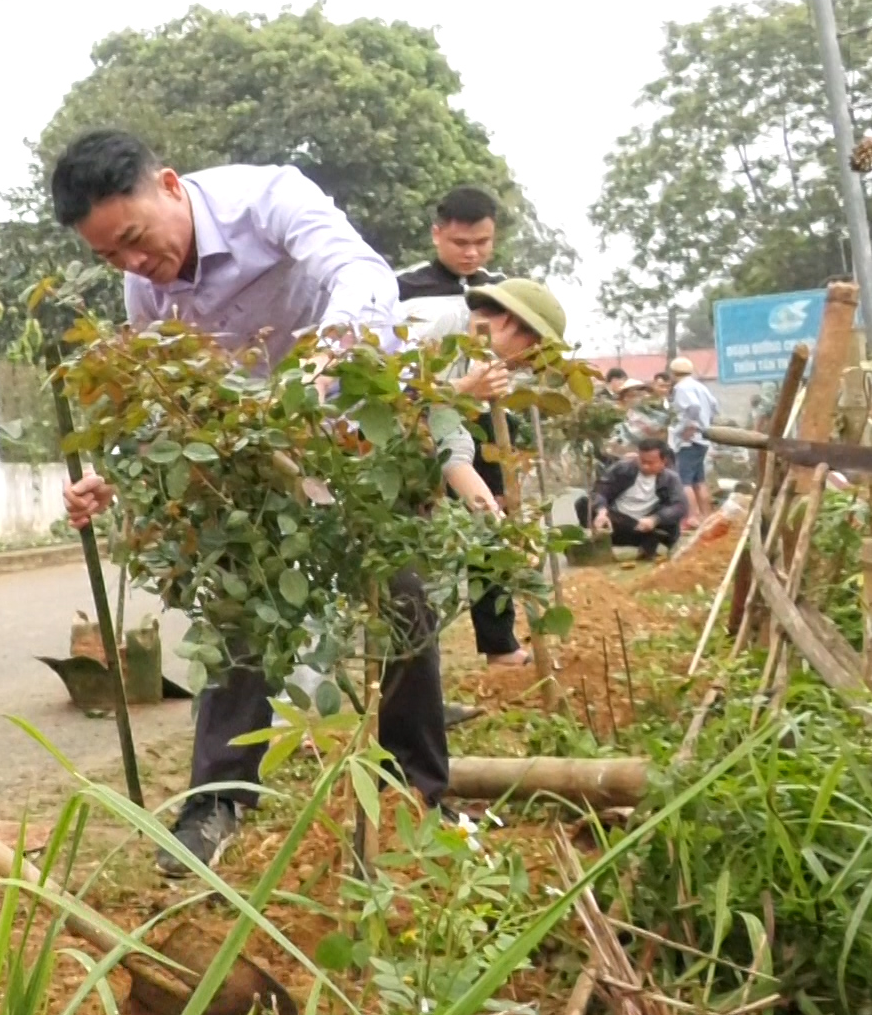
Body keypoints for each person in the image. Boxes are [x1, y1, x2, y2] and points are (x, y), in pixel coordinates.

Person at [48, 129, 481, 877]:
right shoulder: (142, 288)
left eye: (134, 240)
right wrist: (118, 474)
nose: (132, 264)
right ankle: (214, 803)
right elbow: (169, 403)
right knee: (241, 608)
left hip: (354, 428)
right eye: (109, 257)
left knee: (399, 598)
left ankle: (420, 792)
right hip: (254, 459)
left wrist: (322, 362)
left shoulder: (270, 198)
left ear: (171, 186)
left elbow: (362, 275)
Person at [396, 186, 532, 672]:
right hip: (415, 420)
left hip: (478, 422)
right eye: (459, 242)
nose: (471, 252)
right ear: (437, 234)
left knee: (490, 514)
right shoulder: (405, 290)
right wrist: (456, 390)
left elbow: (528, 365)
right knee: (417, 527)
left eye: (482, 241)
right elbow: (402, 389)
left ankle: (498, 640)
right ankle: (411, 650)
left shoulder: (503, 292)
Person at [581, 439, 689, 560]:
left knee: (668, 521)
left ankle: (649, 540)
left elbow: (679, 506)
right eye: (642, 461)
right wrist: (601, 510)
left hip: (645, 525)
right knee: (583, 503)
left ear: (663, 461)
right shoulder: (622, 469)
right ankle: (644, 541)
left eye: (650, 463)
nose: (645, 466)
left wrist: (655, 519)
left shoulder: (670, 479)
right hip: (614, 522)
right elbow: (600, 490)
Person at [667, 356, 718, 528]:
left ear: (673, 372)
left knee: (685, 480)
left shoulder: (681, 388)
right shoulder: (700, 386)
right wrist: (706, 424)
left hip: (688, 440)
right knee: (699, 480)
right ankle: (706, 515)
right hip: (703, 438)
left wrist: (688, 426)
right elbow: (714, 406)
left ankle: (692, 516)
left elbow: (693, 407)